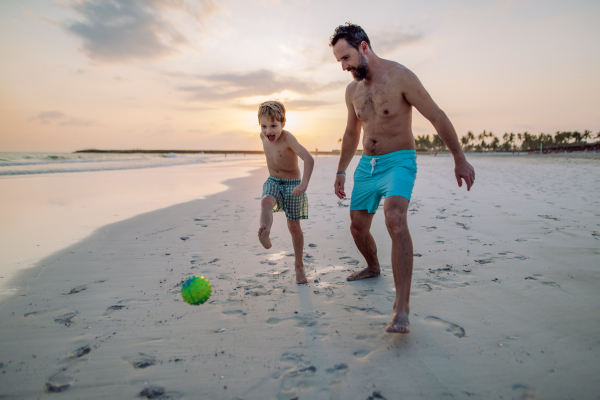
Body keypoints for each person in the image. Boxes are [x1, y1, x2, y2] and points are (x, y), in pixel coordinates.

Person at [330, 23, 475, 333]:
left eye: (346, 58)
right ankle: (372, 266)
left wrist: (459, 158)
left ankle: (402, 308)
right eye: (339, 61)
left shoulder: (400, 77)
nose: (343, 67)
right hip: (367, 166)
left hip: (399, 162)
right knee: (357, 227)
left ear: (364, 47)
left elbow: (436, 115)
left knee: (394, 218)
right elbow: (351, 132)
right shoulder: (352, 91)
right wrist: (341, 170)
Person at [257, 100, 314, 285]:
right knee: (266, 201)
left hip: (292, 184)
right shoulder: (263, 136)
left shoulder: (289, 138)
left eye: (274, 126)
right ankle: (265, 231)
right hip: (273, 180)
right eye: (264, 126)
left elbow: (308, 159)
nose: (268, 131)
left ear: (283, 123)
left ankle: (299, 266)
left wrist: (303, 185)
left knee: (294, 227)